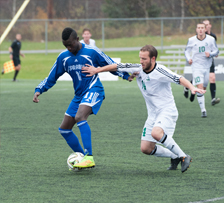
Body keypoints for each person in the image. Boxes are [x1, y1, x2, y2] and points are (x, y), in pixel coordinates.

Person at [82, 45, 206, 173]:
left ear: (153, 59)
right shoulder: (138, 68)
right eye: (140, 58)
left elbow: (179, 78)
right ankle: (174, 156)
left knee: (156, 133)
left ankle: (183, 156)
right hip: (152, 114)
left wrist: (192, 88)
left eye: (144, 59)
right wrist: (97, 70)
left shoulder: (161, 71)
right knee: (146, 148)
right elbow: (117, 66)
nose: (141, 61)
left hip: (167, 111)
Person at [33, 27, 133, 169]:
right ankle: (83, 157)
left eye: (71, 44)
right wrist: (39, 90)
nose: (69, 47)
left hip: (94, 90)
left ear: (77, 39)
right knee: (64, 129)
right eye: (65, 45)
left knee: (80, 116)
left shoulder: (91, 51)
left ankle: (89, 157)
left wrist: (125, 75)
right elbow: (52, 76)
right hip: (79, 95)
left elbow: (109, 63)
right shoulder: (63, 57)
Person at [184, 23, 219, 118]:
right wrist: (189, 59)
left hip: (207, 66)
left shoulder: (211, 39)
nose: (200, 30)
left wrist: (210, 54)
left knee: (203, 88)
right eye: (198, 28)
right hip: (196, 66)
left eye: (202, 28)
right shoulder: (191, 40)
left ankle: (189, 88)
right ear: (196, 29)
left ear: (205, 29)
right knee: (200, 88)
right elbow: (186, 51)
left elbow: (216, 51)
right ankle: (203, 110)